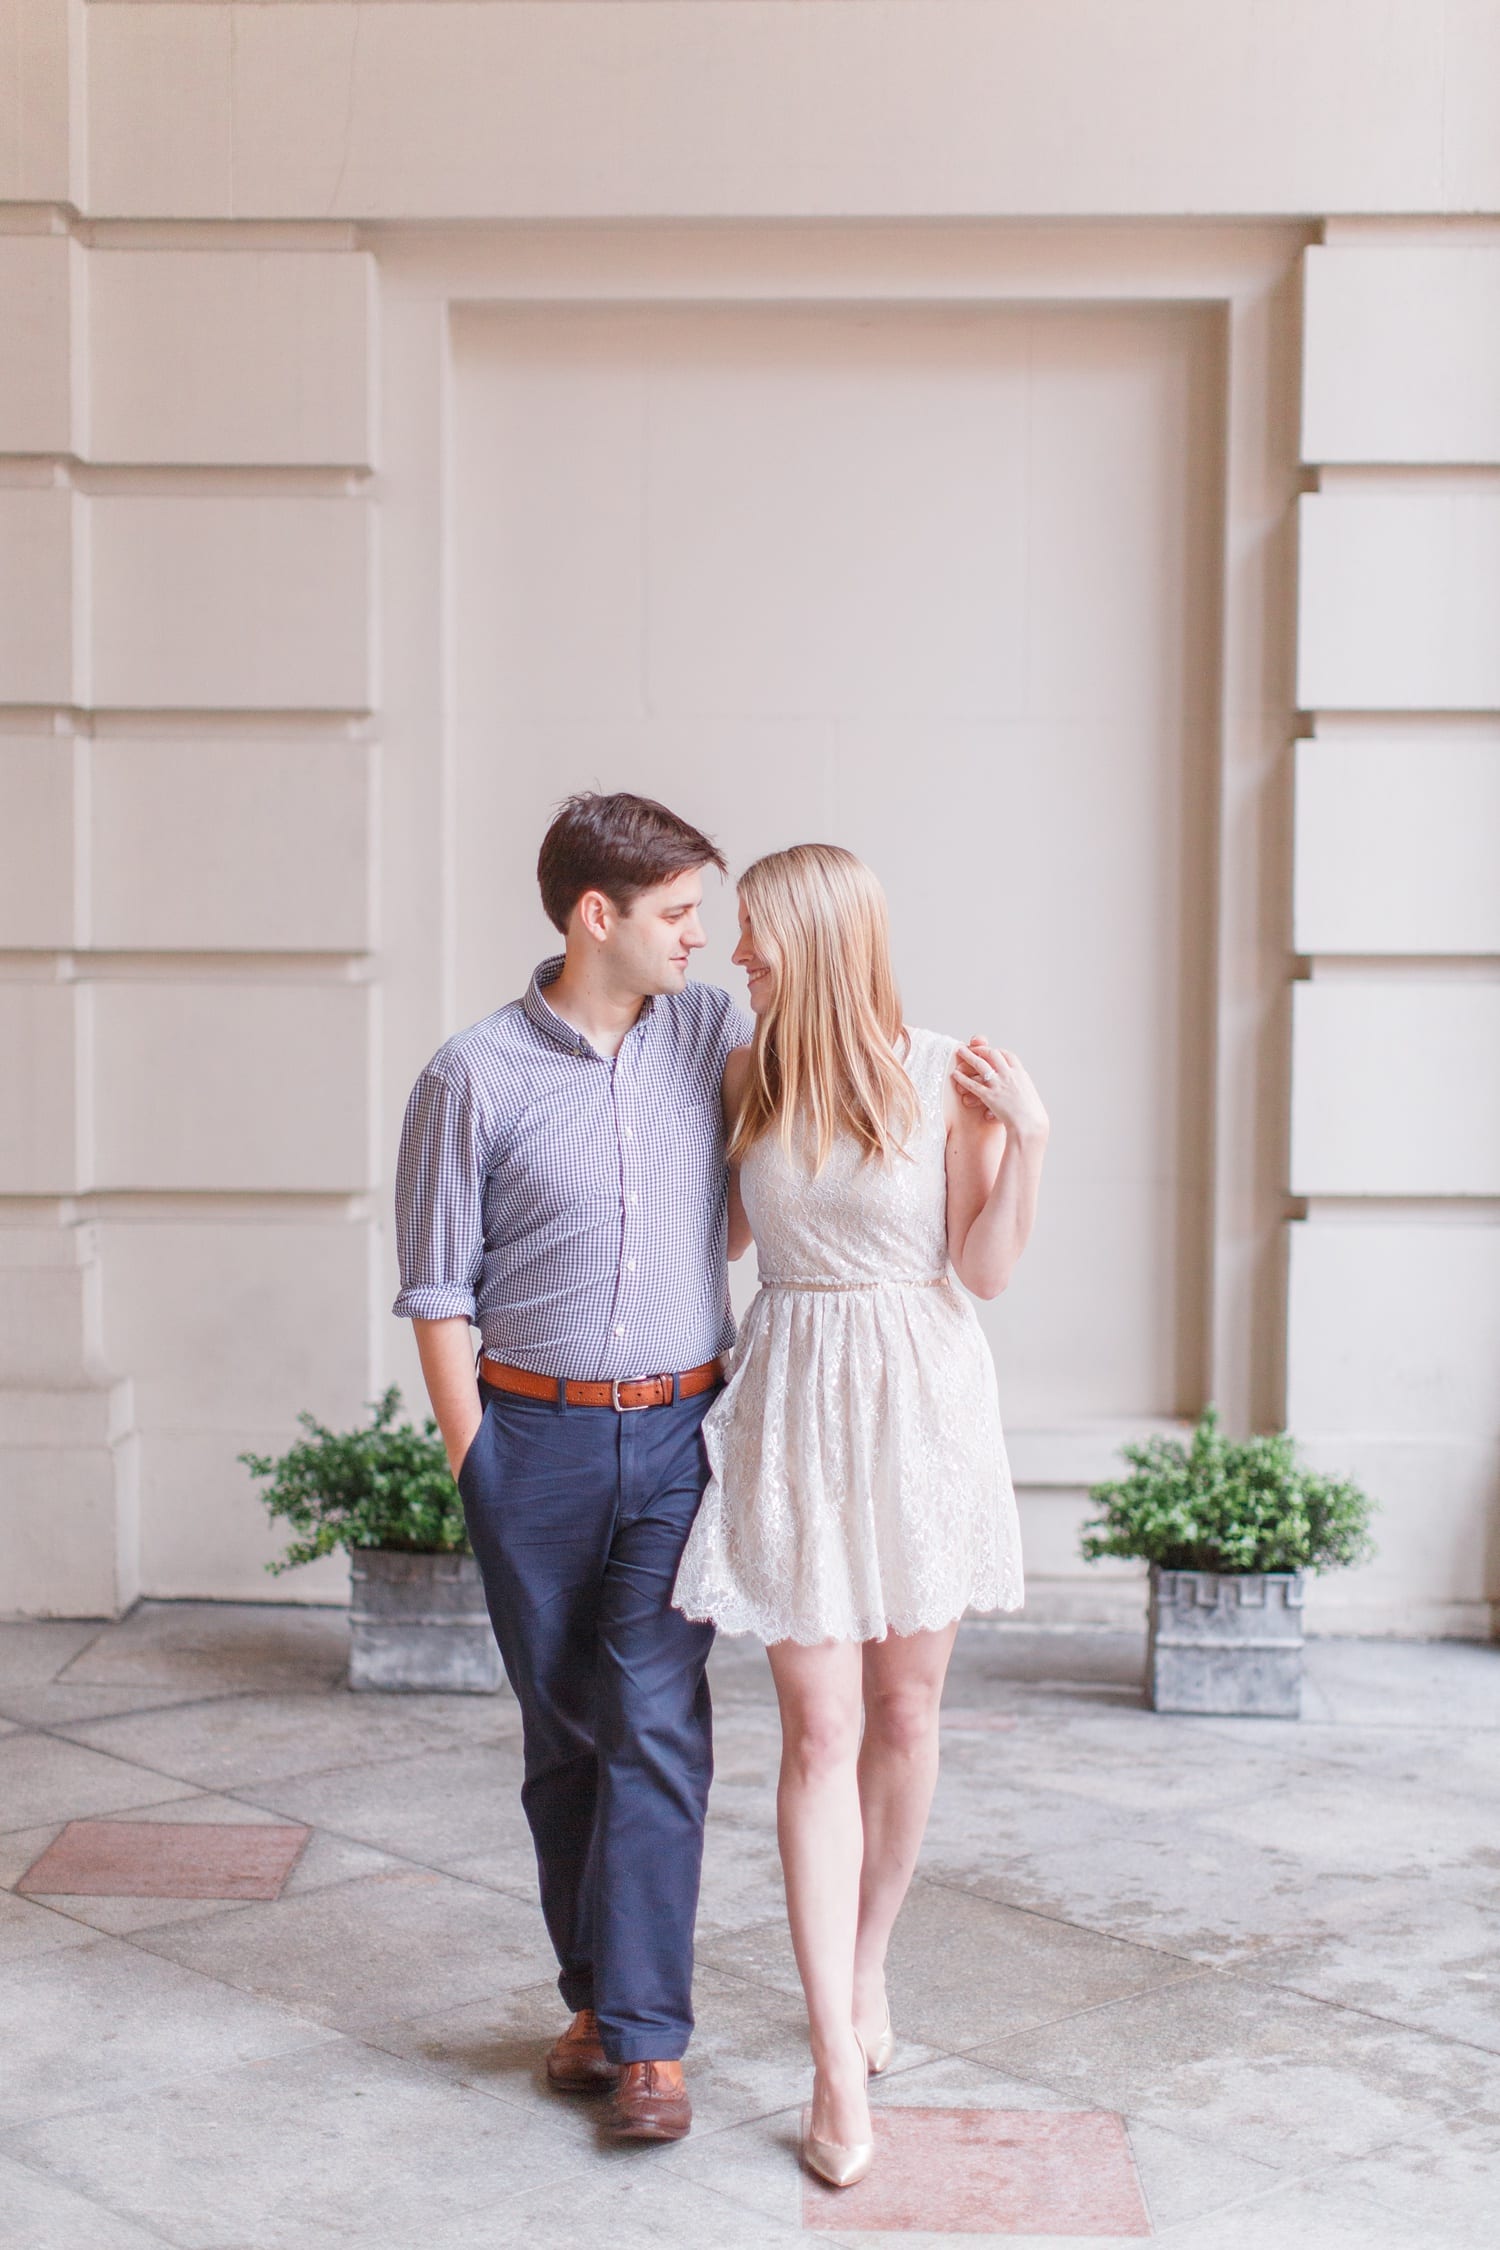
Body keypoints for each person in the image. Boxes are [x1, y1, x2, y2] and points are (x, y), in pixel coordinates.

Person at [673, 843, 1048, 2188]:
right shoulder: (742, 1072)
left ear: (821, 937)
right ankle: (834, 2050)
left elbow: (984, 1270)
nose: (738, 955)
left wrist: (1031, 1140)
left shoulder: (948, 1072)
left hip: (923, 1414)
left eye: (757, 934)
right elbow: (709, 1240)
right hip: (795, 1406)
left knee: (903, 1714)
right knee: (818, 1726)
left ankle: (871, 1955)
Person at [392, 791, 752, 2144]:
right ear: (594, 915)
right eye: (676, 913)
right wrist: (477, 1459)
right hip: (527, 1437)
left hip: (676, 1433)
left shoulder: (710, 1028)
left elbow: (832, 1053)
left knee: (656, 1717)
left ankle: (651, 2040)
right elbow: (436, 1293)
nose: (698, 938)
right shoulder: (470, 1074)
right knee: (565, 1733)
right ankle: (595, 1998)